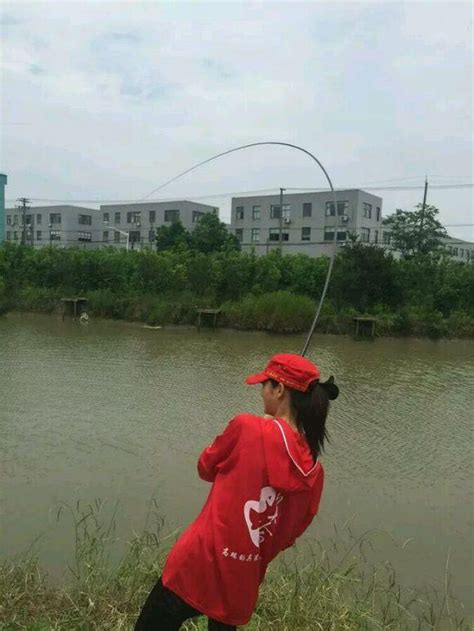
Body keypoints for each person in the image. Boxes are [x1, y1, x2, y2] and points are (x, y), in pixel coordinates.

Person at [135, 352, 339, 630]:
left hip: (198, 562)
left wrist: (259, 429)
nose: (261, 393)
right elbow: (290, 532)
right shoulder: (314, 470)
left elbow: (205, 467)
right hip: (242, 576)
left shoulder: (247, 428)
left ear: (279, 390)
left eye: (264, 386)